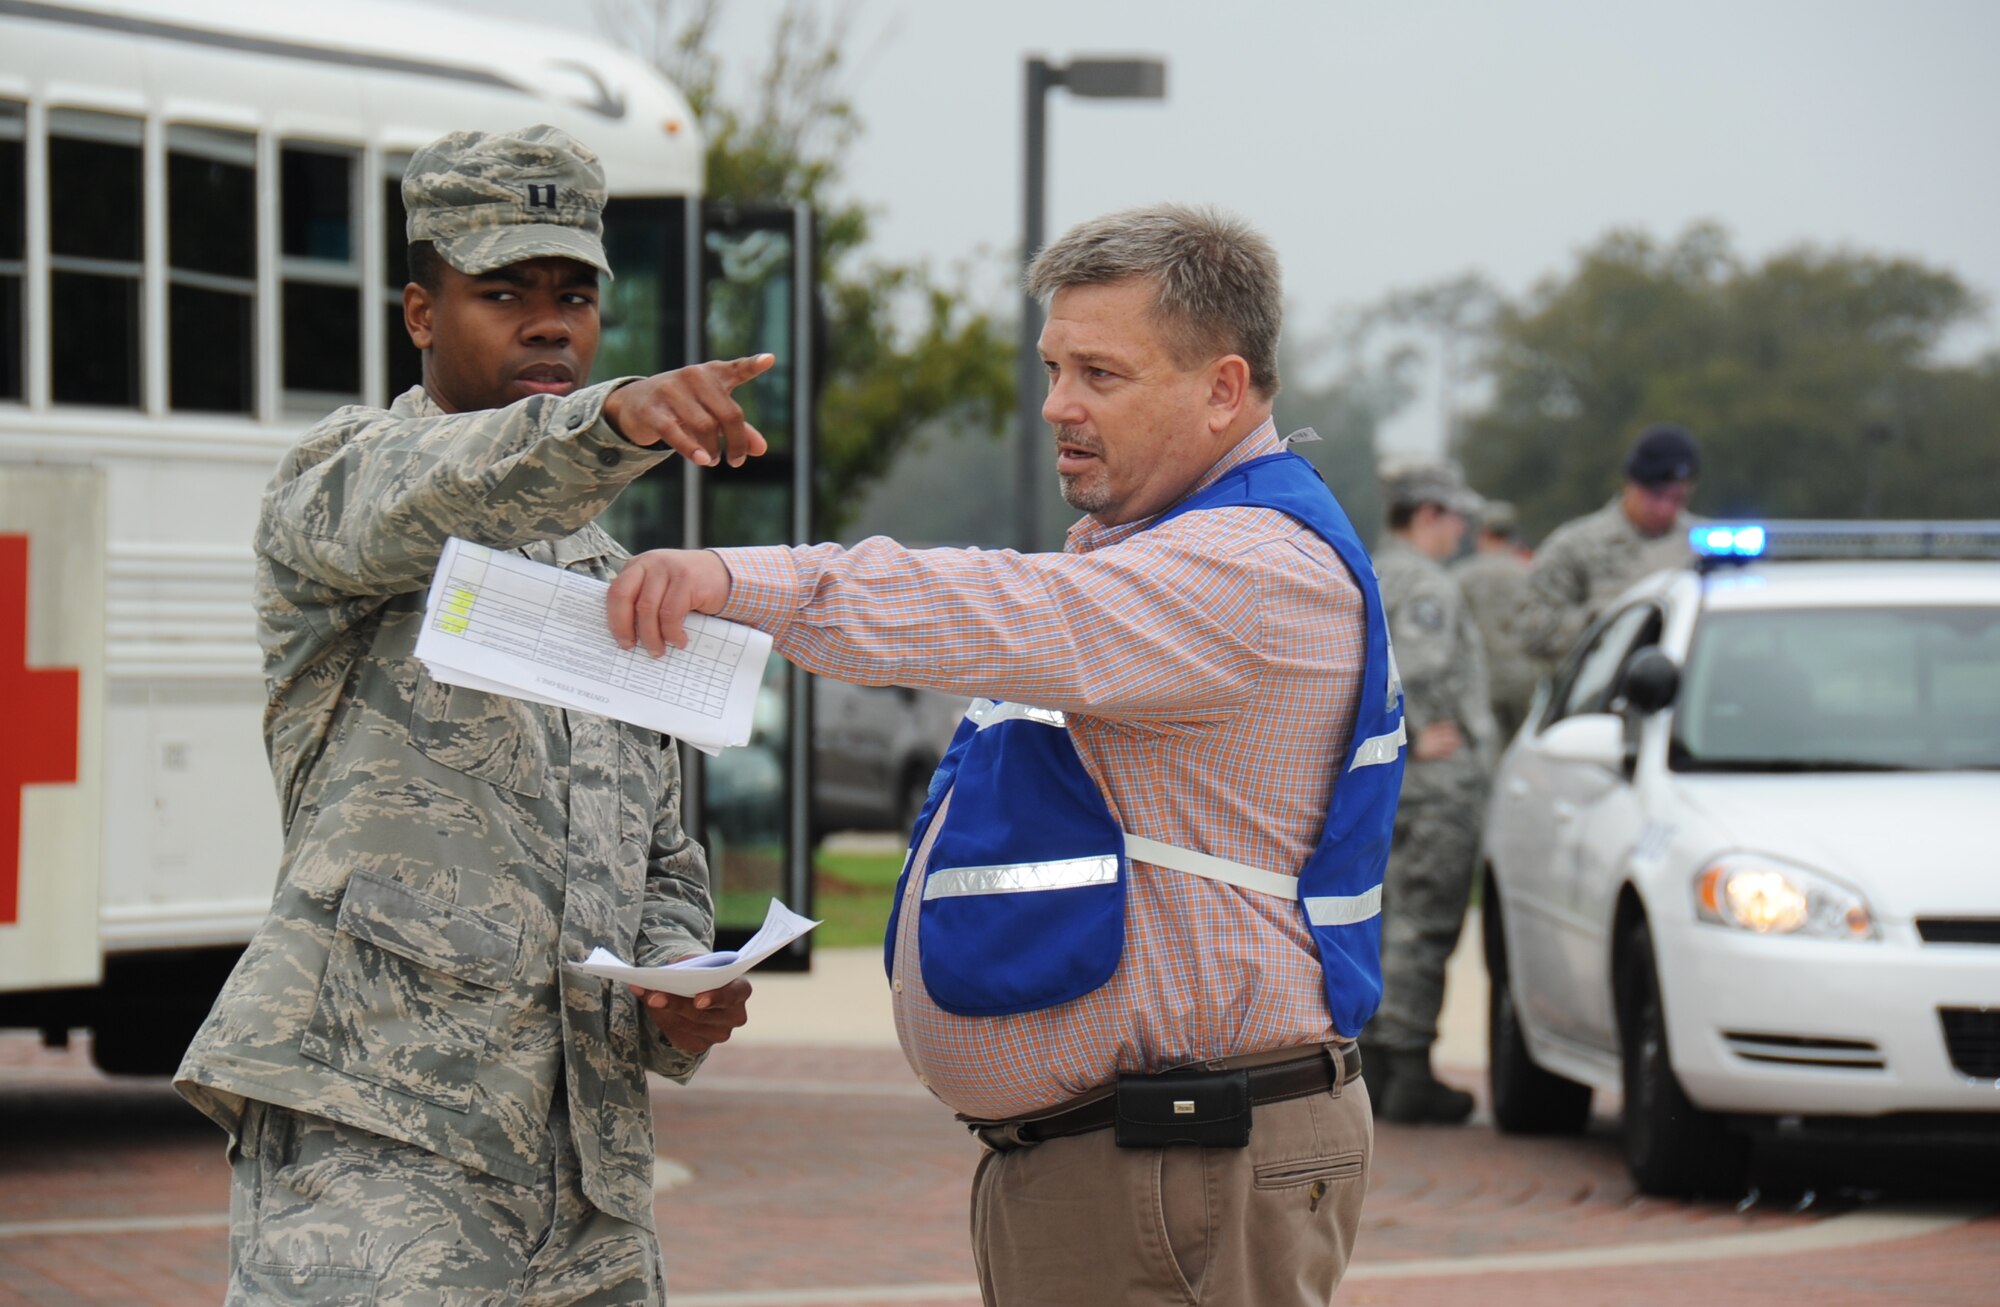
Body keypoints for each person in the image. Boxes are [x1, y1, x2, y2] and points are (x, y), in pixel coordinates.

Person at [604, 205, 1404, 1305]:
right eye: (1052, 365)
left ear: (1223, 389)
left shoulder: (1248, 570)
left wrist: (742, 583)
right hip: (1147, 1159)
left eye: (1100, 374)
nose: (1056, 405)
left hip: (1186, 1161)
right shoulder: (1181, 546)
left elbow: (995, 606)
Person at [174, 125, 763, 1306]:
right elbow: (451, 480)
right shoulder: (344, 483)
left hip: (585, 1176)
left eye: (574, 295)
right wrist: (612, 421)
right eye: (503, 292)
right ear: (419, 313)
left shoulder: (614, 581)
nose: (550, 324)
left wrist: (678, 988)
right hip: (376, 1140)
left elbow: (655, 850)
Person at [1363, 461, 1495, 1125]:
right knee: (1425, 922)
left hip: (1385, 781)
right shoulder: (1425, 584)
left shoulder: (1367, 568)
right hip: (1436, 786)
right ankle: (1408, 1065)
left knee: (1384, 918)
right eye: (1455, 517)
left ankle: (1382, 1062)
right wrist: (1415, 727)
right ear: (1426, 516)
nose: (1464, 530)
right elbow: (1410, 664)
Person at [1517, 423, 1700, 667]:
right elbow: (1531, 631)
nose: (1664, 509)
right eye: (1654, 495)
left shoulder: (1703, 546)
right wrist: (1604, 622)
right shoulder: (1576, 546)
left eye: (1677, 498)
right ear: (1630, 484)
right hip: (1598, 694)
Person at [1451, 499, 1536, 744]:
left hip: (1482, 680)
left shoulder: (1461, 576)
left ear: (1483, 533)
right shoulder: (1530, 572)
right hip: (1525, 677)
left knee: (1489, 752)